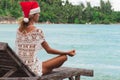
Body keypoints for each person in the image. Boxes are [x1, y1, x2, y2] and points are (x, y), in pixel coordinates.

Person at [15, 1, 76, 76]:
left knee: (46, 65)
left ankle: (48, 69)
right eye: (38, 13)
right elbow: (49, 50)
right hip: (32, 70)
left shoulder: (18, 31)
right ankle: (48, 69)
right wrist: (67, 52)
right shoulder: (37, 31)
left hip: (20, 68)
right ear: (33, 15)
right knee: (63, 57)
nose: (39, 15)